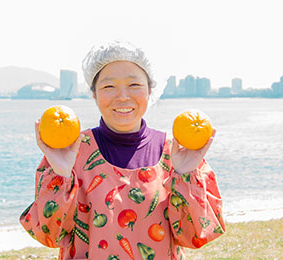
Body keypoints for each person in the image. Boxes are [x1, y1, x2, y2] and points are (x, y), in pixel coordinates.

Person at [19, 41, 224, 259]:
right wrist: (60, 175)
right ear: (94, 93)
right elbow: (49, 234)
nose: (123, 96)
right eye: (109, 86)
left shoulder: (178, 152)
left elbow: (195, 235)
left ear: (150, 90)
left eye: (134, 85)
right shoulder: (71, 151)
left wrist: (185, 176)